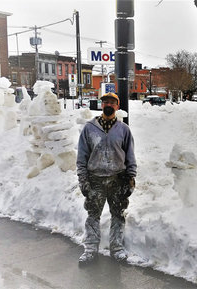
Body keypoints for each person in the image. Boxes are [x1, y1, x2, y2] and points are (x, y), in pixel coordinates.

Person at [76, 92, 137, 264]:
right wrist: (83, 179)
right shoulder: (89, 128)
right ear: (101, 105)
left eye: (112, 102)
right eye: (105, 102)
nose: (108, 105)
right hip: (95, 179)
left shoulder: (124, 130)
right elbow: (82, 156)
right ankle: (90, 249)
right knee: (93, 215)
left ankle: (117, 248)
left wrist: (131, 177)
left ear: (117, 106)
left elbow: (130, 156)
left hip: (117, 179)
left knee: (118, 214)